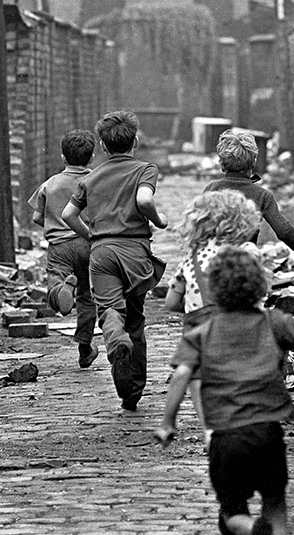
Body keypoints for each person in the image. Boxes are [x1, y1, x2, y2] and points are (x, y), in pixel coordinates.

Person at [155, 246, 294, 535]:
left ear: (214, 291)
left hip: (226, 439)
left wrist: (167, 422)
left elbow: (181, 375)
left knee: (232, 513)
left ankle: (252, 528)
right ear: (259, 286)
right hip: (267, 434)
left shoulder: (201, 333)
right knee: (275, 503)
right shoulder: (273, 323)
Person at [62, 110, 168, 411]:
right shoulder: (145, 170)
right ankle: (132, 392)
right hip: (134, 251)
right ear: (135, 141)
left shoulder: (91, 177)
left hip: (102, 253)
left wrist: (92, 235)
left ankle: (114, 338)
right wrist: (159, 221)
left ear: (103, 146)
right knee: (135, 318)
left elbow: (69, 215)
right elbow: (145, 200)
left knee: (110, 310)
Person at [165, 189, 262, 444]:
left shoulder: (190, 259)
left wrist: (191, 305)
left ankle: (209, 428)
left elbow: (171, 301)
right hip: (234, 320)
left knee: (197, 376)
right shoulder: (244, 252)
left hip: (198, 323)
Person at [28, 129, 98, 369]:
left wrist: (54, 222)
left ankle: (60, 292)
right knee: (88, 298)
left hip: (60, 245)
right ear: (91, 158)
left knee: (55, 279)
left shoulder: (51, 184)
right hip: (89, 244)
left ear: (62, 157)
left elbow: (38, 217)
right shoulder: (95, 180)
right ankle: (85, 349)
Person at [204, 128, 294, 271]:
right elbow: (284, 231)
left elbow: (199, 230)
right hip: (246, 268)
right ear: (253, 162)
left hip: (213, 265)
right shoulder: (262, 195)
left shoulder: (211, 190)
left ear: (221, 163)